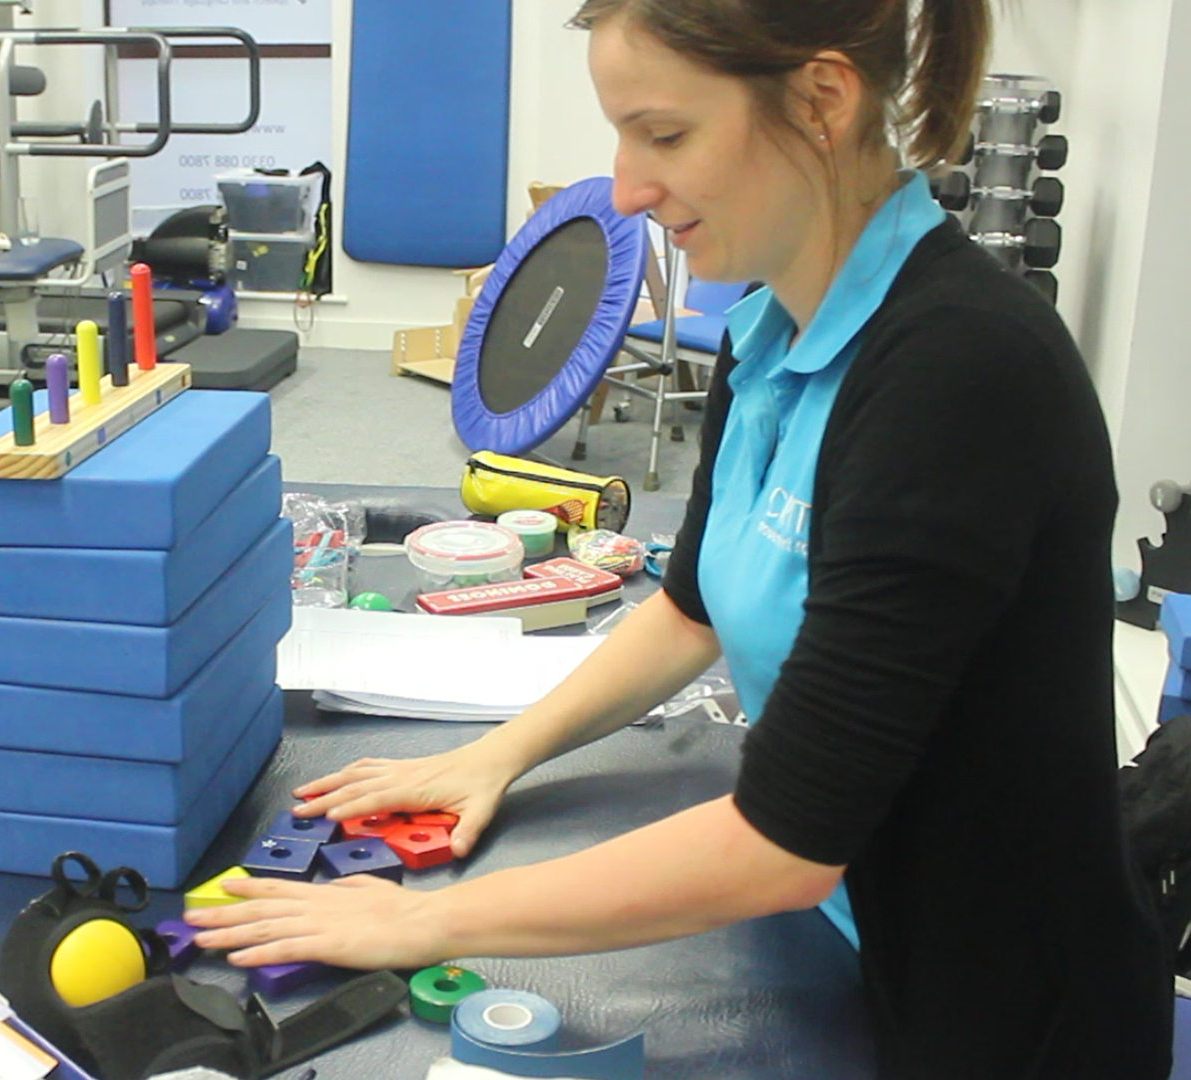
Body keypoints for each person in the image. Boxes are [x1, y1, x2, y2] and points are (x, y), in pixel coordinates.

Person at [187, 0, 1174, 1074]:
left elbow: (779, 845)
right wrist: (493, 758)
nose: (625, 190)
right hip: (843, 940)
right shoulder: (771, 331)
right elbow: (690, 604)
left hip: (999, 1013)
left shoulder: (958, 375)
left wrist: (413, 926)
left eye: (665, 135)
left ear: (822, 100)